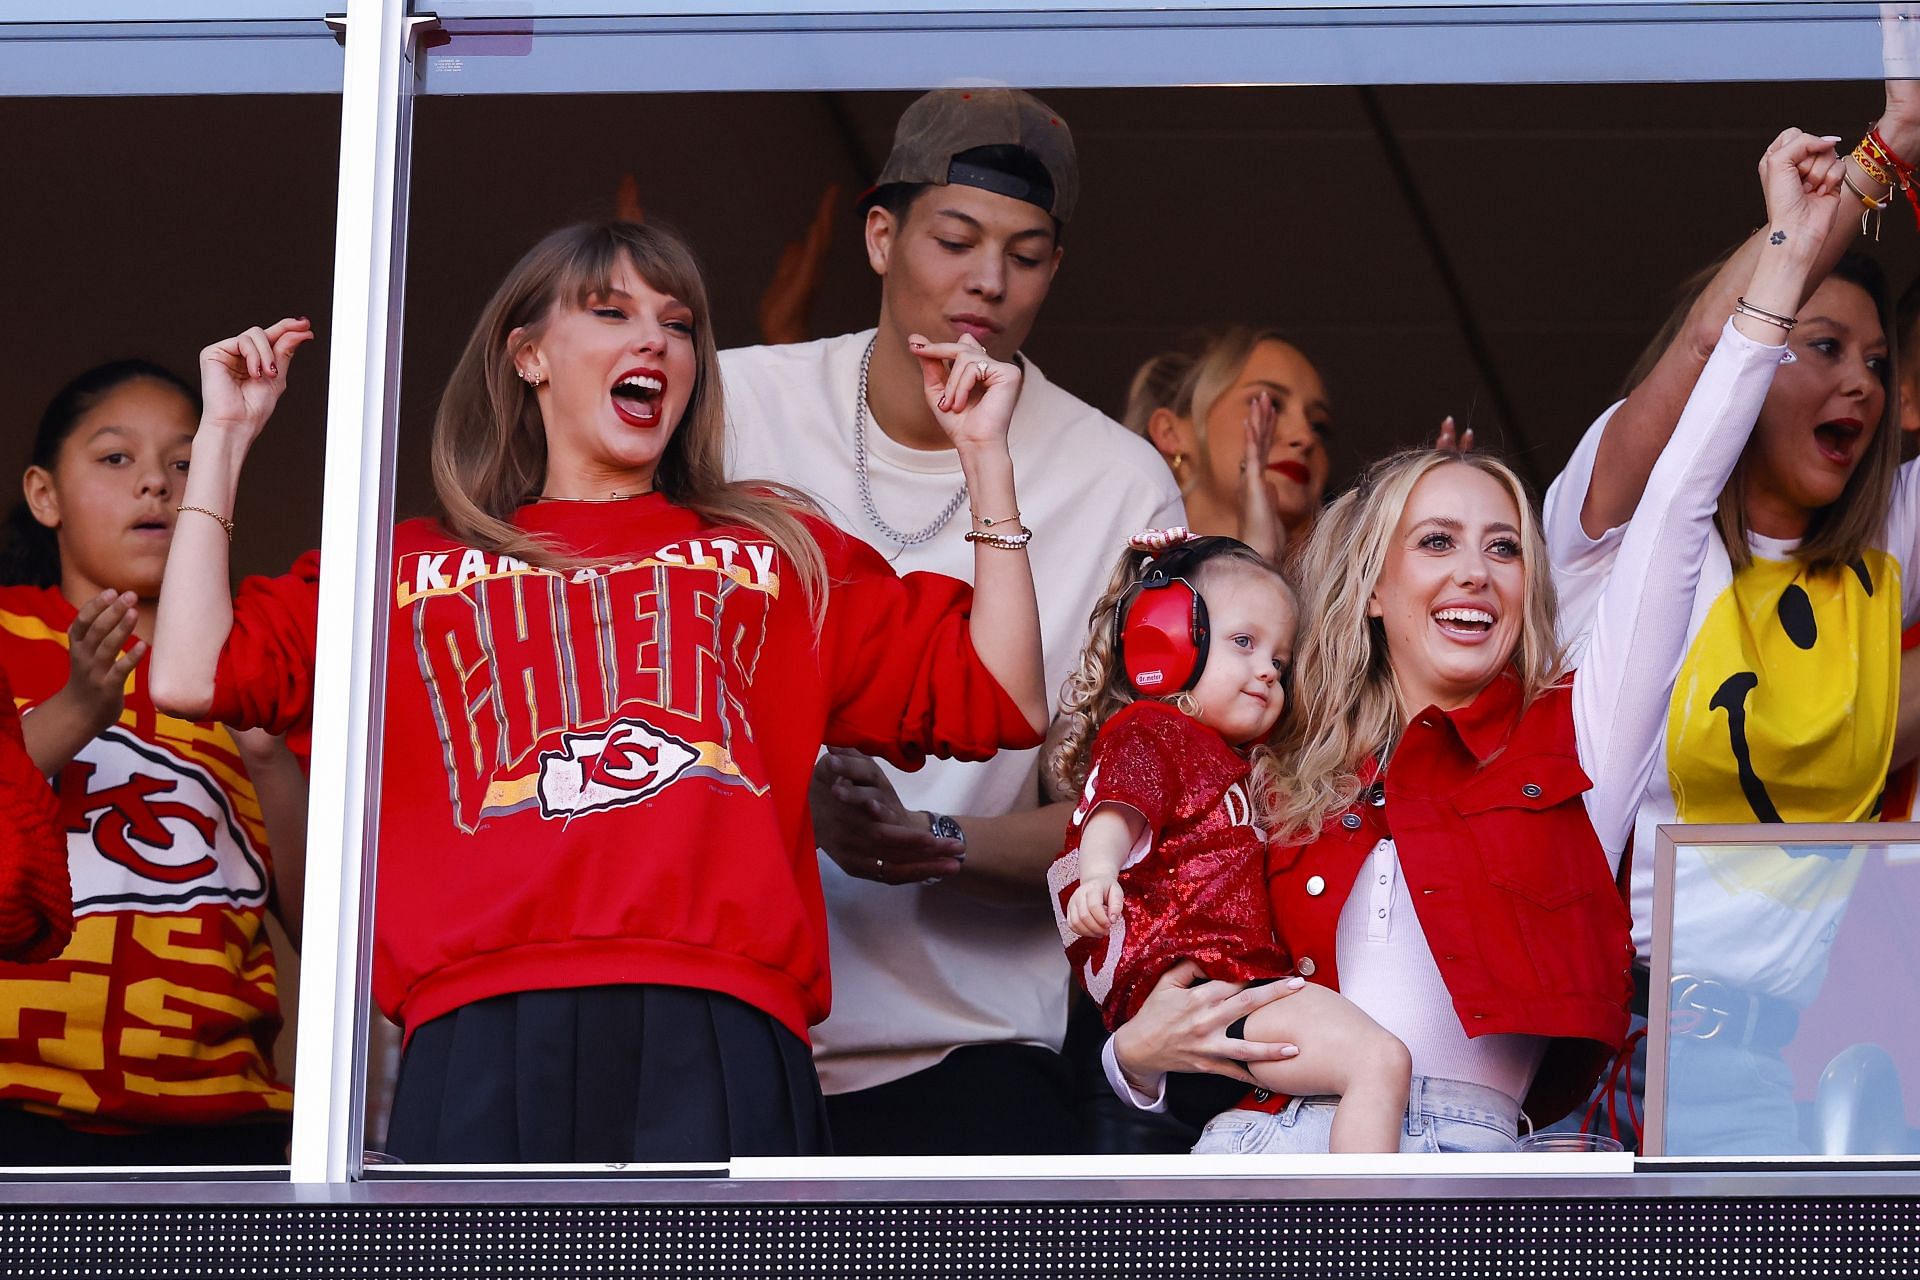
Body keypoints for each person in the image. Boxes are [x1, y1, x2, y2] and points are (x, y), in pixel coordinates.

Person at [148, 219, 1050, 1164]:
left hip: (723, 1015)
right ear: (528, 355)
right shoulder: (409, 565)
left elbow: (1002, 694)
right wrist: (225, 437)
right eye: (612, 313)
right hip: (479, 1021)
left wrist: (985, 457)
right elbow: (191, 672)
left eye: (678, 323)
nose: (654, 340)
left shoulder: (773, 551)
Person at [1102, 128, 1849, 1153]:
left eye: (1504, 548)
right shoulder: (1284, 762)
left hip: (1471, 1170)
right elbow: (1163, 947)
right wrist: (1130, 1060)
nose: (1475, 571)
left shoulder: (1575, 739)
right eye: (1438, 541)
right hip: (1262, 1154)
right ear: (1372, 587)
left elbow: (1677, 504)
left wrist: (1786, 257)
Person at [722, 87, 1182, 1155]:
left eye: (1026, 252)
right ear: (881, 236)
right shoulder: (736, 407)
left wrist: (929, 838)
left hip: (968, 1052)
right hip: (731, 1027)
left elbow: (1131, 812)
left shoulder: (1121, 483)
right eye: (956, 237)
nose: (988, 279)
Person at [1543, 120, 1920, 1156]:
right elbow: (1712, 344)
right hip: (1585, 1042)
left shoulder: (1884, 548)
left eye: (1879, 363)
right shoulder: (1616, 536)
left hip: (1757, 1070)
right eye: (1826, 347)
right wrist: (1870, 166)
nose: (1862, 383)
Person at [0, 359, 300, 1164]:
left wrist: (268, 758)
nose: (156, 487)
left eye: (183, 462)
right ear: (43, 495)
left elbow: (334, 934)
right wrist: (73, 714)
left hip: (225, 1121)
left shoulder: (263, 662)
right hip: (21, 1103)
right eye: (115, 459)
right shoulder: (6, 636)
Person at [1048, 531, 1411, 1152]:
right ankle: (1366, 1240)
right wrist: (1099, 871)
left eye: (1281, 661)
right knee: (1378, 1060)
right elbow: (1116, 808)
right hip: (1209, 999)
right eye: (1244, 643)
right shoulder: (1154, 728)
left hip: (1223, 1002)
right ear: (1167, 639)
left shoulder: (1233, 758)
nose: (1267, 670)